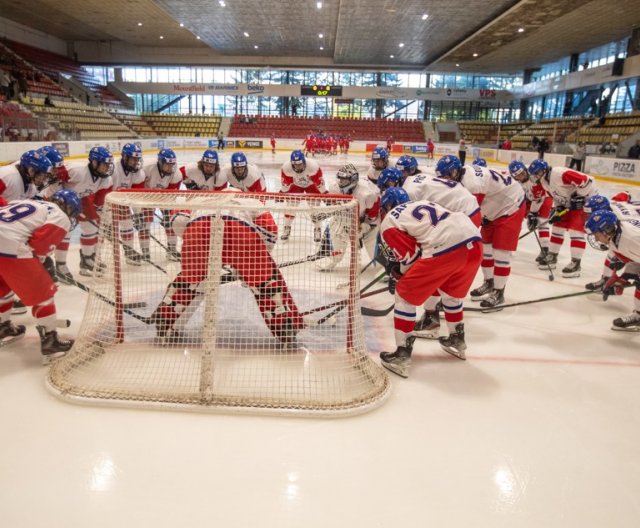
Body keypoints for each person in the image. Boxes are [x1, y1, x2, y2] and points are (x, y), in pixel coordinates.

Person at [151, 197, 305, 343]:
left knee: (190, 281)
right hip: (240, 231)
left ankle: (166, 319)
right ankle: (284, 327)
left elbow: (178, 221)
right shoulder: (251, 199)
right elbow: (270, 231)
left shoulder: (199, 197)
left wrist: (195, 245)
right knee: (264, 284)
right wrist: (253, 263)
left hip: (198, 229)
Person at [378, 187, 482, 378]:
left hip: (447, 248)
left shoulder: (390, 219)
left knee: (404, 295)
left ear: (387, 206)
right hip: (475, 242)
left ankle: (402, 353)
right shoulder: (421, 203)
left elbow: (411, 257)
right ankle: (456, 338)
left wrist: (399, 276)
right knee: (450, 294)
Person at [0, 189, 81, 363]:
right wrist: (43, 263)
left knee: (4, 286)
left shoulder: (26, 202)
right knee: (43, 293)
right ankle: (51, 340)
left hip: (5, 239)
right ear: (68, 207)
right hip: (10, 246)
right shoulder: (60, 215)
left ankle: (2, 326)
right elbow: (39, 246)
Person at [436, 155, 525, 308]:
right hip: (492, 207)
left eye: (448, 176)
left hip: (510, 206)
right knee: (486, 250)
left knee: (501, 253)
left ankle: (499, 292)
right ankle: (489, 282)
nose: (446, 179)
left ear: (456, 171)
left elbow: (471, 216)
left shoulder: (472, 183)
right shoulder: (462, 177)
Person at [44, 146, 114, 278]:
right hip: (59, 198)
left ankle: (87, 260)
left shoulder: (106, 180)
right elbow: (55, 181)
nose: (107, 168)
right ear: (94, 163)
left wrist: (104, 217)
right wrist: (59, 201)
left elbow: (99, 201)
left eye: (108, 165)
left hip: (80, 198)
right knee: (66, 229)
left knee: (91, 227)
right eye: (104, 164)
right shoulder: (76, 171)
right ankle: (60, 264)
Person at [529, 159, 598, 278]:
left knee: (575, 230)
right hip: (569, 203)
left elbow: (587, 181)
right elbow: (557, 196)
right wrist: (558, 208)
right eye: (535, 174)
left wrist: (579, 196)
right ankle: (552, 255)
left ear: (545, 169)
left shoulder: (559, 173)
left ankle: (576, 263)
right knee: (557, 228)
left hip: (585, 200)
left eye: (538, 172)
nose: (536, 176)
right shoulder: (544, 182)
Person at [584, 209, 640, 331]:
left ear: (607, 229)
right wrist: (622, 279)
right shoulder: (618, 235)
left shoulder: (630, 239)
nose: (597, 239)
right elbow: (636, 261)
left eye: (596, 234)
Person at [318, 164, 380, 271]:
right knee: (335, 232)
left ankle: (382, 267)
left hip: (365, 221)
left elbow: (373, 215)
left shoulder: (368, 193)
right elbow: (334, 206)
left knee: (371, 243)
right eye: (340, 179)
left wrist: (363, 226)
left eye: (344, 180)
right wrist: (325, 213)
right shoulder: (334, 187)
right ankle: (333, 259)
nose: (341, 182)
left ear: (353, 180)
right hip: (343, 218)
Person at [583, 194, 640, 291]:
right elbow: (625, 194)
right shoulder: (613, 223)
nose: (590, 216)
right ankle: (606, 278)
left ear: (607, 229)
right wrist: (626, 273)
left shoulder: (627, 233)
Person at [137, 148, 183, 261]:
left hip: (165, 197)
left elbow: (172, 195)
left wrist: (167, 214)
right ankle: (145, 252)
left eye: (172, 164)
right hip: (146, 197)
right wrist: (139, 210)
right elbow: (138, 187)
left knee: (170, 223)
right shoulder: (147, 168)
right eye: (167, 164)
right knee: (145, 224)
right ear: (161, 162)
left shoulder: (176, 174)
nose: (170, 167)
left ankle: (171, 250)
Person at [107, 143, 147, 267]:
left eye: (137, 159)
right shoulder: (113, 169)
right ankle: (90, 256)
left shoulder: (139, 174)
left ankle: (129, 252)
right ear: (125, 157)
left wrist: (138, 213)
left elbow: (135, 196)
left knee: (128, 224)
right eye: (133, 159)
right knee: (101, 232)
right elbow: (103, 189)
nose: (136, 162)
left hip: (122, 201)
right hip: (106, 202)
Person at [508, 160, 553, 264]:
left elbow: (539, 198)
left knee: (542, 222)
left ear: (525, 170)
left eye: (523, 173)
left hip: (544, 198)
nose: (522, 177)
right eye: (518, 176)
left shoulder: (534, 178)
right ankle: (508, 243)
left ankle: (545, 249)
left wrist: (533, 214)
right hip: (530, 200)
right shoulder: (512, 183)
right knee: (514, 218)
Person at [279, 150, 327, 242]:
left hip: (311, 185)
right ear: (291, 164)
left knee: (315, 208)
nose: (298, 167)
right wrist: (283, 193)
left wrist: (324, 193)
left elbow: (320, 183)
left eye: (300, 164)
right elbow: (285, 184)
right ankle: (287, 228)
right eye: (295, 165)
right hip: (295, 185)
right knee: (290, 206)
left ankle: (317, 229)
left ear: (304, 162)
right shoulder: (286, 168)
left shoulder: (313, 166)